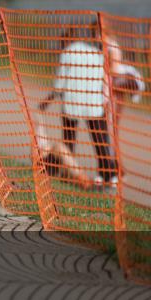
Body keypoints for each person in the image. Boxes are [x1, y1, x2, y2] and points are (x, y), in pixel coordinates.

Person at [38, 21, 120, 188]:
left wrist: (47, 101)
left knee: (69, 140)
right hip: (94, 103)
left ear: (65, 40)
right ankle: (110, 176)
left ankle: (69, 173)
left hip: (72, 103)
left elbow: (60, 84)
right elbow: (102, 78)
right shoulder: (95, 52)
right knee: (100, 141)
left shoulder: (67, 52)